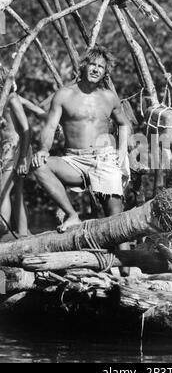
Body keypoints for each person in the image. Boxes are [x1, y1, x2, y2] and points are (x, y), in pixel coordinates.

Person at [32, 45, 131, 233]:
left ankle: (125, 262)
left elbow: (124, 123)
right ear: (84, 66)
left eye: (100, 67)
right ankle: (72, 215)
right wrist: (44, 149)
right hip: (74, 161)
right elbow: (51, 126)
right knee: (39, 165)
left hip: (104, 159)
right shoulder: (65, 94)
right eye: (92, 64)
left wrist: (122, 149)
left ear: (105, 72)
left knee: (116, 222)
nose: (95, 69)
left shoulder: (109, 97)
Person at [0, 66, 31, 238]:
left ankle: (3, 229)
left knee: (3, 190)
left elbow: (26, 130)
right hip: (6, 151)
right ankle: (23, 233)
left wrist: (23, 159)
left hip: (17, 148)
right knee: (16, 191)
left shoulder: (12, 98)